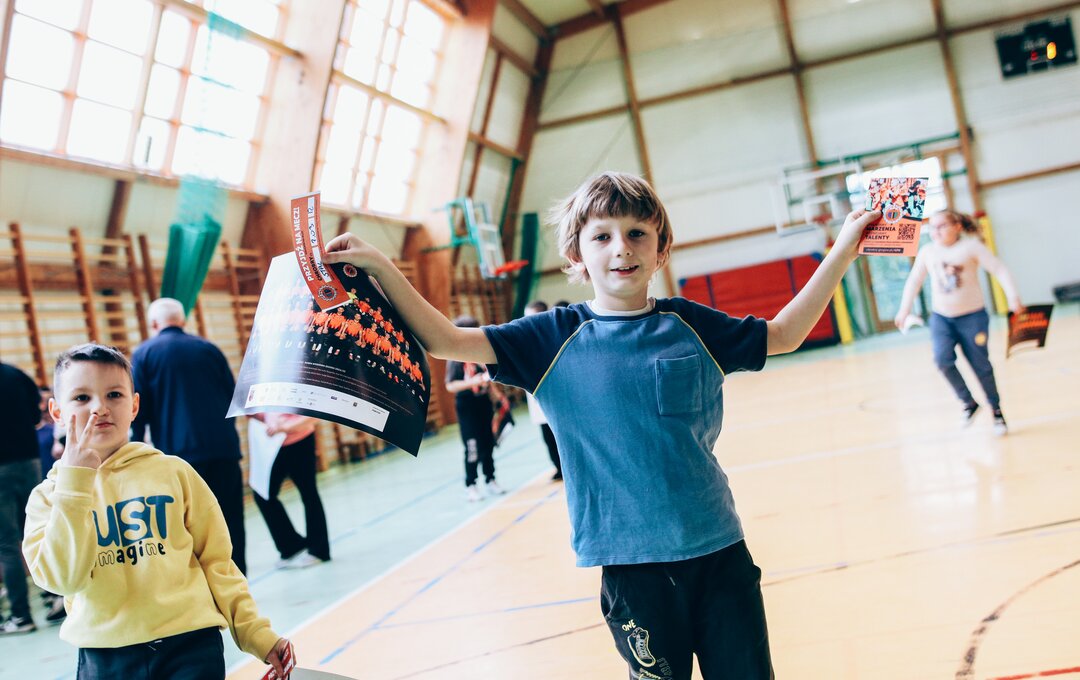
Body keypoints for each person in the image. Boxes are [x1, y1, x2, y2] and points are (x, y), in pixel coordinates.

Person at [322, 171, 881, 678]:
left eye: (638, 233)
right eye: (603, 236)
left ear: (661, 249)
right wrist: (383, 267)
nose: (622, 248)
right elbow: (446, 339)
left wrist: (844, 249)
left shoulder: (692, 325)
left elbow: (783, 334)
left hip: (719, 554)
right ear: (577, 254)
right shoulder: (548, 338)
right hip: (632, 571)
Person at [22, 344, 291, 678]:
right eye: (81, 398)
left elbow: (218, 563)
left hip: (191, 645)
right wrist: (75, 484)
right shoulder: (47, 497)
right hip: (105, 656)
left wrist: (256, 633)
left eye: (114, 394)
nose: (100, 408)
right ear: (57, 411)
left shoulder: (174, 473)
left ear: (134, 405)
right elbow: (63, 580)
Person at [131, 298, 248, 573]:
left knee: (190, 527)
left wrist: (134, 450)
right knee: (230, 518)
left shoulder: (144, 354)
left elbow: (139, 409)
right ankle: (238, 579)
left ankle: (205, 585)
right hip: (223, 448)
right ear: (183, 320)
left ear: (153, 323)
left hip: (179, 457)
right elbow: (233, 395)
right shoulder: (208, 349)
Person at [894, 209, 1023, 436]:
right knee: (942, 360)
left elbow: (999, 269)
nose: (936, 231)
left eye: (942, 226)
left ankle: (996, 411)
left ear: (957, 227)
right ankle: (968, 402)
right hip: (942, 318)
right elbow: (914, 280)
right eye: (932, 227)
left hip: (973, 317)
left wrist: (1013, 297)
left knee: (981, 366)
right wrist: (904, 309)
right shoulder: (928, 252)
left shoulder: (971, 247)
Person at [251, 413, 330, 569]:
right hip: (272, 445)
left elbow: (314, 415)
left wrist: (286, 427)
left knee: (309, 494)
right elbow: (265, 413)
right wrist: (255, 415)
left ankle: (319, 550)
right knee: (262, 495)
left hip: (300, 440)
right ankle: (291, 546)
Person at [0, 361, 42, 635]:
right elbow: (36, 414)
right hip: (28, 459)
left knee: (7, 544)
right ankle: (56, 598)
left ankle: (21, 615)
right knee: (39, 528)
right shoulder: (14, 374)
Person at [444, 315, 506, 502]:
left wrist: (498, 399)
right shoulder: (456, 357)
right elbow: (451, 385)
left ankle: (490, 478)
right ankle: (471, 484)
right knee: (472, 446)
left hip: (483, 403)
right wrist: (473, 381)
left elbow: (488, 379)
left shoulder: (479, 353)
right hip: (467, 406)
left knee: (488, 443)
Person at [523, 301, 562, 481]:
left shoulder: (554, 337)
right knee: (547, 437)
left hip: (556, 399)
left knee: (560, 435)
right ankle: (558, 467)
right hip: (537, 399)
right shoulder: (523, 340)